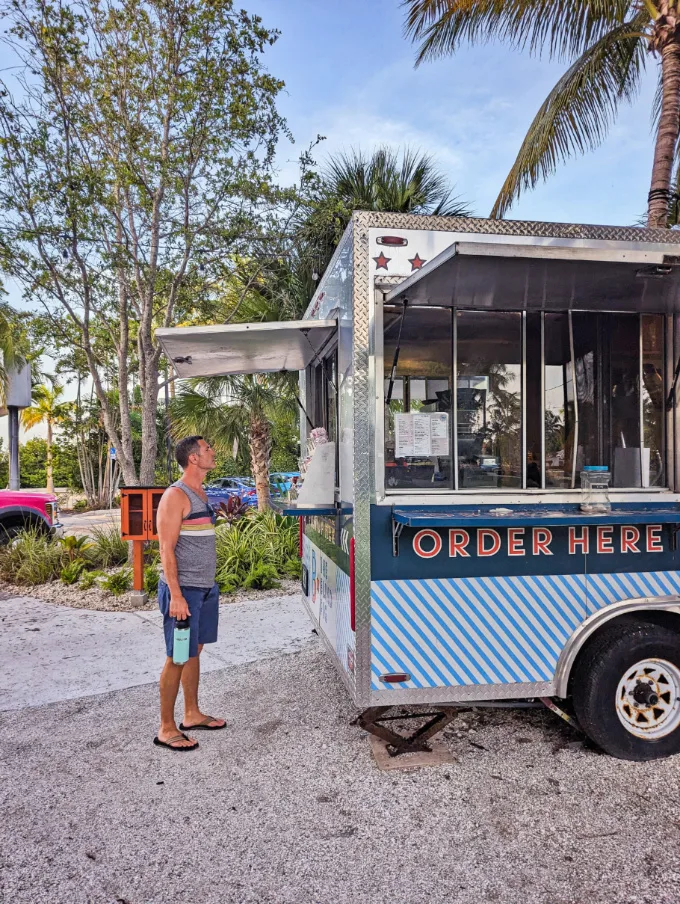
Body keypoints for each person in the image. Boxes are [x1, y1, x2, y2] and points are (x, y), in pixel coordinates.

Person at [154, 435, 226, 751]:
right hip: (185, 592)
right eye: (207, 448)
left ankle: (192, 713)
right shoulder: (176, 495)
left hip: (205, 588)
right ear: (193, 458)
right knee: (178, 656)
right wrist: (177, 595)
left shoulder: (200, 492)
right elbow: (166, 549)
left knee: (194, 650)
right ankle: (166, 728)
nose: (213, 452)